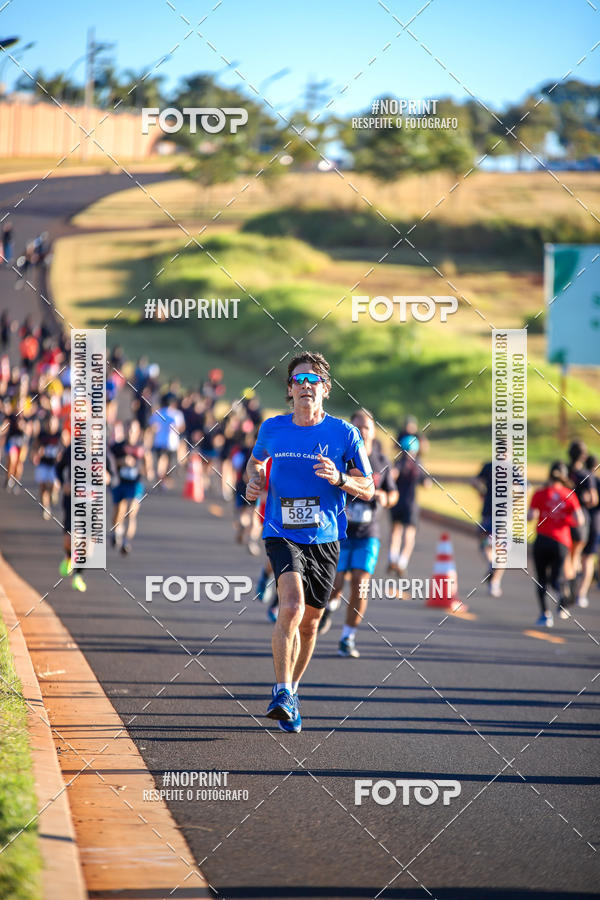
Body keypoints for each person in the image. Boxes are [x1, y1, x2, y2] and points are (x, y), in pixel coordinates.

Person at [245, 351, 373, 733]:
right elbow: (255, 462)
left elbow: (368, 487)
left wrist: (339, 479)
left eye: (312, 381)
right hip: (281, 531)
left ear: (325, 390)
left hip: (326, 537)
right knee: (292, 605)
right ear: (289, 390)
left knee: (312, 622)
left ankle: (294, 691)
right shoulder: (272, 429)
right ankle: (281, 691)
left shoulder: (344, 434)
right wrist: (255, 479)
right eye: (298, 381)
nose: (305, 386)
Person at [319, 409, 398, 657]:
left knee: (361, 584)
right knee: (337, 584)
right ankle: (330, 606)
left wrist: (385, 497)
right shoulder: (343, 456)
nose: (363, 431)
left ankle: (347, 638)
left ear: (374, 431)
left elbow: (393, 494)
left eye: (367, 427)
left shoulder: (382, 461)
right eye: (358, 427)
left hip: (368, 531)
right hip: (340, 531)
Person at [528, 461, 584, 627]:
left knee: (541, 579)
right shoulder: (569, 494)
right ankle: (562, 599)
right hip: (561, 542)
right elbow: (579, 520)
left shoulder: (540, 493)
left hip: (542, 540)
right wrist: (563, 518)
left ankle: (545, 614)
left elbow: (530, 516)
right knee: (557, 577)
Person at [387, 435, 430, 575]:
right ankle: (402, 562)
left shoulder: (399, 461)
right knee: (409, 535)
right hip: (411, 504)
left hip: (397, 503)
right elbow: (426, 483)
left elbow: (392, 475)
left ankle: (392, 559)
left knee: (396, 531)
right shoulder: (418, 463)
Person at [565, 440, 598, 606]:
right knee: (586, 559)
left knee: (571, 557)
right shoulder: (586, 475)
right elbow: (593, 499)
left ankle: (569, 588)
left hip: (565, 520)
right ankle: (580, 594)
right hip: (586, 522)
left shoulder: (565, 472)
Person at [109, 420, 149, 554]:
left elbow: (147, 462)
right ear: (125, 431)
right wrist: (122, 462)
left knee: (131, 513)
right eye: (129, 430)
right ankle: (117, 531)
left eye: (134, 430)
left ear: (138, 432)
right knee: (118, 512)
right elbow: (109, 463)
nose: (131, 433)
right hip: (119, 483)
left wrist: (148, 470)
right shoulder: (117, 447)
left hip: (135, 484)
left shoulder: (141, 447)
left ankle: (126, 541)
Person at [55, 432, 87, 592]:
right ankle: (68, 556)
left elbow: (113, 477)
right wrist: (63, 483)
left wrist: (107, 477)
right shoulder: (71, 450)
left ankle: (78, 576)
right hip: (72, 501)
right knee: (69, 540)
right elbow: (59, 468)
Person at [472, 460, 505, 597]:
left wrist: (482, 492)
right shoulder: (513, 468)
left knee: (485, 544)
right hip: (503, 514)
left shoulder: (489, 466)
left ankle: (492, 565)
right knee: (500, 548)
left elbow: (474, 482)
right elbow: (525, 487)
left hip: (490, 513)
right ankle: (495, 582)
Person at [576, 454, 599, 609]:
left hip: (579, 523)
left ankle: (572, 587)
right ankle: (581, 593)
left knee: (576, 555)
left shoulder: (579, 478)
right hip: (595, 524)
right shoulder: (595, 481)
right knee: (589, 559)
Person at [149, 392, 184, 486]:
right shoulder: (177, 414)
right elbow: (181, 428)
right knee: (168, 462)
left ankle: (160, 478)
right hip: (171, 443)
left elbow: (152, 426)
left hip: (159, 441)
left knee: (161, 460)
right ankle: (163, 479)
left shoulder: (158, 413)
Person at [32, 413, 61, 519]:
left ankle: (54, 493)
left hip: (55, 466)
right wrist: (37, 454)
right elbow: (34, 449)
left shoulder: (60, 435)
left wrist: (61, 456)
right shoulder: (42, 435)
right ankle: (46, 507)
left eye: (53, 423)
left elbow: (67, 450)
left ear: (57, 423)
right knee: (43, 486)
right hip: (43, 464)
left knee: (54, 484)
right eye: (49, 423)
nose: (50, 425)